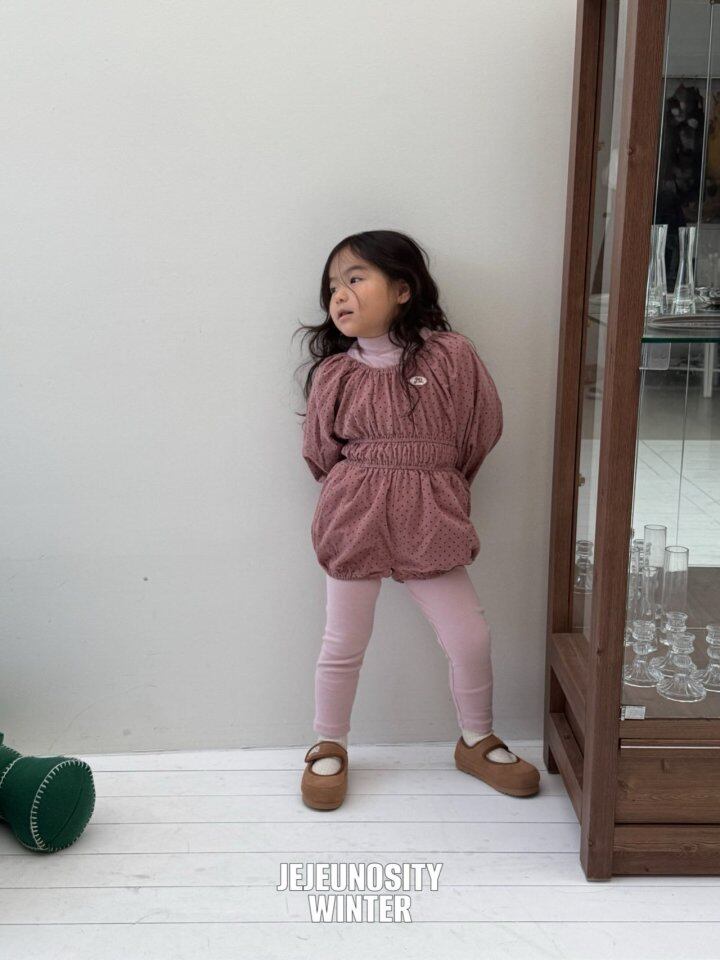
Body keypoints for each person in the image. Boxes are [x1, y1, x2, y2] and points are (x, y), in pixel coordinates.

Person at [296, 230, 539, 810]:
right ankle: (329, 742)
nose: (340, 295)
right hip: (355, 512)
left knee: (469, 634)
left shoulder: (451, 355)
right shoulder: (336, 374)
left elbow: (481, 428)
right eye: (332, 286)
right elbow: (319, 452)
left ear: (402, 289)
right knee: (343, 640)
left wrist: (439, 483)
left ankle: (476, 738)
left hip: (432, 511)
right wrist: (362, 486)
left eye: (356, 279)